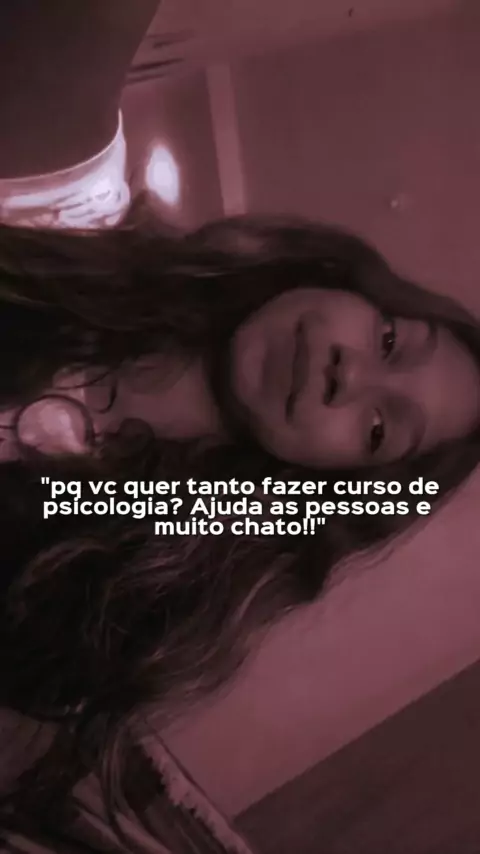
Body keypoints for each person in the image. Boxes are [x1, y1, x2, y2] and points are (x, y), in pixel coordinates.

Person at [1, 3, 480, 853]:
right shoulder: (72, 222)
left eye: (379, 429)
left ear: (331, 490)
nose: (349, 373)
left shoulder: (130, 610)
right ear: (344, 283)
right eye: (388, 338)